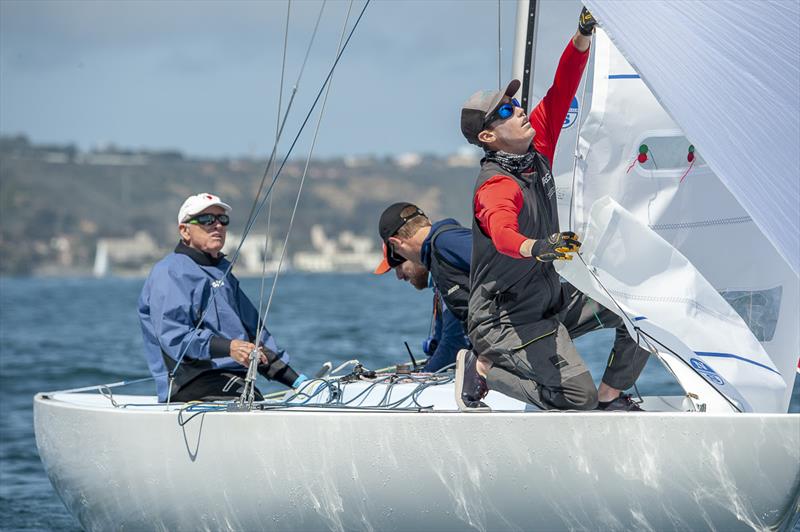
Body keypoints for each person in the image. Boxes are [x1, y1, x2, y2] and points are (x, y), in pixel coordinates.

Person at [457, 8, 649, 411]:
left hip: (550, 299)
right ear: (489, 135)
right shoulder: (495, 186)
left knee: (640, 307)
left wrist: (582, 35)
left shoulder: (536, 149)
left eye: (514, 102)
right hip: (503, 318)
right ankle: (485, 367)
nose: (518, 109)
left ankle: (611, 396)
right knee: (575, 398)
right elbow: (504, 234)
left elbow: (563, 87)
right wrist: (538, 247)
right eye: (506, 111)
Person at [138, 193, 307, 402]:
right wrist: (229, 347)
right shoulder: (170, 272)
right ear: (184, 231)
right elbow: (175, 337)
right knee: (251, 402)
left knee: (255, 399)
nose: (217, 225)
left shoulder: (224, 274)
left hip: (232, 380)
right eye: (207, 220)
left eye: (222, 219)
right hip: (189, 383)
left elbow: (255, 336)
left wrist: (299, 382)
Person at [374, 202, 472, 372]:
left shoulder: (446, 247)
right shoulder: (441, 279)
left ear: (401, 245)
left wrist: (422, 376)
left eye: (399, 265)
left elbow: (454, 344)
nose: (399, 276)